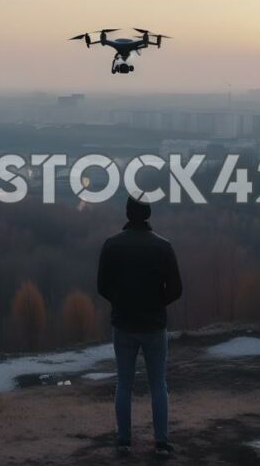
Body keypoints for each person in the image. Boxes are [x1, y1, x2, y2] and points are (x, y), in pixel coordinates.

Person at [97, 195, 183, 458]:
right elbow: (176, 289)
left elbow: (103, 287)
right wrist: (156, 304)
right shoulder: (163, 247)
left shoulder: (111, 245)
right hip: (154, 325)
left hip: (123, 324)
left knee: (124, 384)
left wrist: (122, 302)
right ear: (148, 215)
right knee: (158, 384)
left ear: (127, 213)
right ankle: (161, 442)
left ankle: (123, 441)